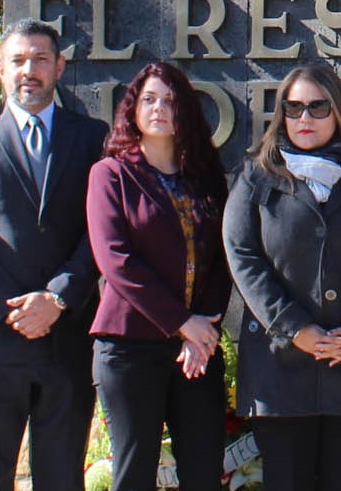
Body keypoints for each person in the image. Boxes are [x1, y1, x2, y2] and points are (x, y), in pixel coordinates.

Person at [0, 18, 107, 491]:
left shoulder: (93, 137)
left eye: (40, 59)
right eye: (18, 60)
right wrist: (8, 307)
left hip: (66, 338)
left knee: (62, 477)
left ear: (59, 67)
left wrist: (57, 298)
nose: (28, 70)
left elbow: (102, 230)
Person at [226, 63, 341, 491]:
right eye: (295, 107)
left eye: (318, 107)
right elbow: (242, 255)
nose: (305, 118)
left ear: (339, 111)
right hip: (281, 368)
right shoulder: (255, 175)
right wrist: (292, 327)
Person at [88, 61, 233, 491]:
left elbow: (224, 259)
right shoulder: (111, 174)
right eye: (148, 99)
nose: (159, 108)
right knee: (135, 472)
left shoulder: (205, 180)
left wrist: (203, 327)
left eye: (170, 101)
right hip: (129, 348)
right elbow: (116, 260)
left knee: (205, 472)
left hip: (197, 351)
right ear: (132, 109)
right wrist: (181, 323)